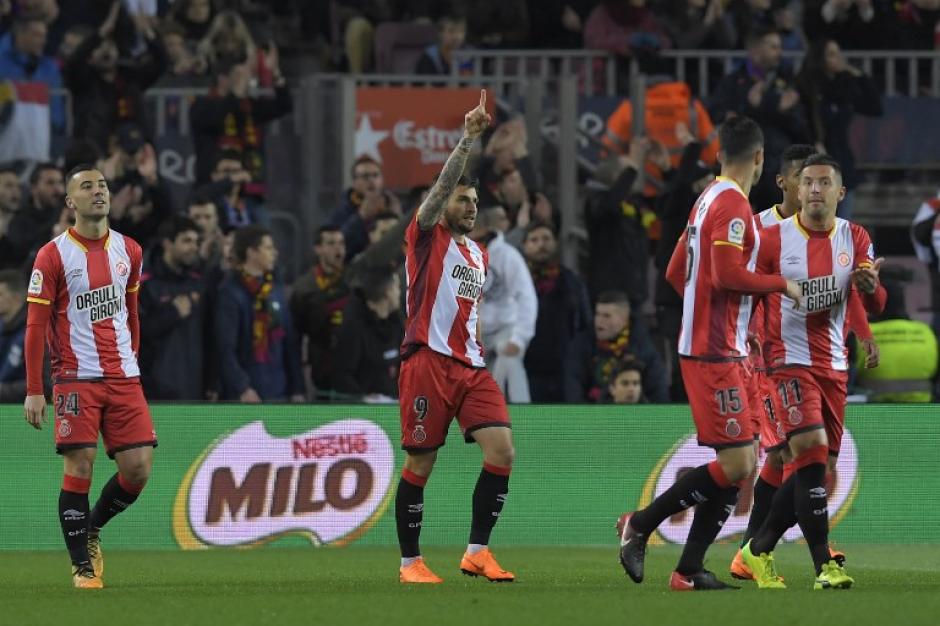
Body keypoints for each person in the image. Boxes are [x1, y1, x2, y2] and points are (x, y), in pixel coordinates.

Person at [618, 116, 801, 591]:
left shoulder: (705, 201)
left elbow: (679, 272)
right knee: (740, 465)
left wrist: (727, 320)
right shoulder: (734, 206)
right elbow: (724, 276)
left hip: (724, 347)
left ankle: (688, 570)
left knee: (741, 463)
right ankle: (640, 523)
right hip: (713, 354)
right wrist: (780, 284)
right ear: (759, 159)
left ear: (720, 154)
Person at [740, 153, 886, 590]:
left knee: (814, 470)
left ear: (841, 192)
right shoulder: (771, 238)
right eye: (809, 182)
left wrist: (870, 303)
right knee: (809, 450)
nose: (816, 189)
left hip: (834, 366)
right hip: (785, 360)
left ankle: (757, 550)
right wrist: (746, 332)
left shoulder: (855, 237)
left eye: (825, 182)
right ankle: (825, 564)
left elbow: (871, 299)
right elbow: (746, 290)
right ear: (797, 190)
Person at [396, 91, 516, 584]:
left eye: (474, 201)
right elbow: (439, 191)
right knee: (422, 460)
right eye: (462, 199)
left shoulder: (479, 256)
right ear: (441, 203)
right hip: (427, 360)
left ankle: (477, 552)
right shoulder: (426, 236)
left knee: (503, 451)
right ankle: (410, 564)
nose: (470, 207)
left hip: (470, 366)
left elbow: (472, 313)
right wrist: (468, 140)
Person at [23, 164, 156, 589]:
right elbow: (35, 326)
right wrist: (34, 389)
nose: (98, 192)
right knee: (80, 464)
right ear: (70, 202)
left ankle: (93, 527)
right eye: (86, 187)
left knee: (137, 470)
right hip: (75, 378)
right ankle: (82, 566)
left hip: (123, 377)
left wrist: (130, 361)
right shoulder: (53, 254)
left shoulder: (130, 250)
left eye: (102, 185)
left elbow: (131, 313)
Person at [215, 225, 304, 403]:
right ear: (252, 252)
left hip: (279, 391)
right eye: (268, 248)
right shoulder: (230, 292)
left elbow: (289, 343)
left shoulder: (275, 290)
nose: (275, 253)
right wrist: (242, 387)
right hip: (246, 395)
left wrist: (297, 388)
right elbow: (225, 348)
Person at [796, 38, 882, 219]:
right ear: (820, 59)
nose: (838, 58)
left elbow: (875, 108)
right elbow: (802, 122)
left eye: (838, 53)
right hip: (814, 160)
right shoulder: (807, 86)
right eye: (831, 54)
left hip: (842, 161)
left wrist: (859, 75)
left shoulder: (845, 86)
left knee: (842, 221)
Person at [471, 206, 538, 403]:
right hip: (474, 332)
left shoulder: (507, 255)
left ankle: (520, 412)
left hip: (505, 329)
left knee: (508, 360)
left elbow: (526, 296)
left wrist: (519, 338)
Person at [521, 221, 593, 402]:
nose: (541, 244)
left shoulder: (572, 282)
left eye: (546, 238)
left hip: (565, 369)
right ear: (524, 246)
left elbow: (585, 323)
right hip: (526, 367)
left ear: (556, 243)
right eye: (534, 240)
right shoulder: (516, 283)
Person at [138, 216, 208, 400]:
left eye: (196, 241)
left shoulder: (199, 283)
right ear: (168, 244)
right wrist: (173, 313)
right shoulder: (145, 285)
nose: (194, 247)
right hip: (156, 392)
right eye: (186, 241)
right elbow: (137, 334)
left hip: (195, 389)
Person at [290, 226, 350, 396]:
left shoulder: (353, 281)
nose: (338, 249)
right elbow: (295, 339)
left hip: (354, 370)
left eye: (341, 243)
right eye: (330, 243)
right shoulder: (304, 289)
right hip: (322, 369)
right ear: (318, 249)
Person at [332, 268, 404, 400]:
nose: (400, 293)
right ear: (388, 293)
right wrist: (363, 399)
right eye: (397, 288)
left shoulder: (396, 322)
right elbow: (342, 375)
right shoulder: (354, 328)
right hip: (363, 411)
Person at [590, 290, 669, 403]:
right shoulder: (582, 344)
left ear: (624, 319)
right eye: (597, 314)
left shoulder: (645, 351)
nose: (599, 322)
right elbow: (574, 392)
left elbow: (659, 396)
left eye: (606, 316)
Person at [0, 269, 29, 401]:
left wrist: (3, 391)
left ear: (16, 298)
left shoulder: (35, 332)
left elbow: (44, 384)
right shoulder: (3, 326)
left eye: (0, 294)